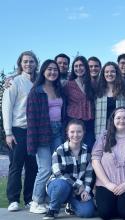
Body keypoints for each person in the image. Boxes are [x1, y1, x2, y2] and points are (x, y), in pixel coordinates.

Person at [27, 59, 65, 214]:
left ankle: (52, 199)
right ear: (43, 71)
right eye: (49, 69)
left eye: (55, 69)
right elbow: (31, 118)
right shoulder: (36, 91)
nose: (53, 72)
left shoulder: (59, 89)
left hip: (58, 131)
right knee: (44, 168)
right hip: (43, 132)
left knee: (57, 167)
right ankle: (35, 201)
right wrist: (32, 141)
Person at [2, 51, 38, 211]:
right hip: (18, 130)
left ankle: (29, 199)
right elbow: (7, 107)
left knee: (33, 167)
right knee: (16, 165)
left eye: (31, 61)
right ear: (20, 63)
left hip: (34, 131)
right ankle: (13, 200)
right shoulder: (14, 82)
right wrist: (8, 132)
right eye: (25, 61)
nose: (28, 64)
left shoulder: (38, 82)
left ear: (36, 63)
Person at [43, 119, 95, 219]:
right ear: (67, 133)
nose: (76, 135)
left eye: (79, 131)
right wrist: (79, 184)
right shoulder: (59, 150)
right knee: (62, 186)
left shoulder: (88, 151)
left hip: (78, 191)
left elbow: (89, 174)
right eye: (72, 132)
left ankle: (71, 205)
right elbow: (58, 173)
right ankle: (52, 210)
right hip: (58, 185)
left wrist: (86, 191)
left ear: (83, 133)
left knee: (87, 212)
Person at [63, 56, 95, 151]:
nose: (78, 68)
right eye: (76, 66)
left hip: (89, 121)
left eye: (81, 65)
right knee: (74, 149)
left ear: (86, 67)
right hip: (73, 121)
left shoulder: (92, 83)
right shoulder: (68, 84)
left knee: (89, 148)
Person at [95, 62, 125, 138]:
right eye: (106, 72)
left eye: (112, 71)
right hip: (100, 130)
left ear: (117, 73)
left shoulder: (123, 91)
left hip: (119, 130)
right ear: (103, 74)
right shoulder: (98, 91)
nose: (109, 74)